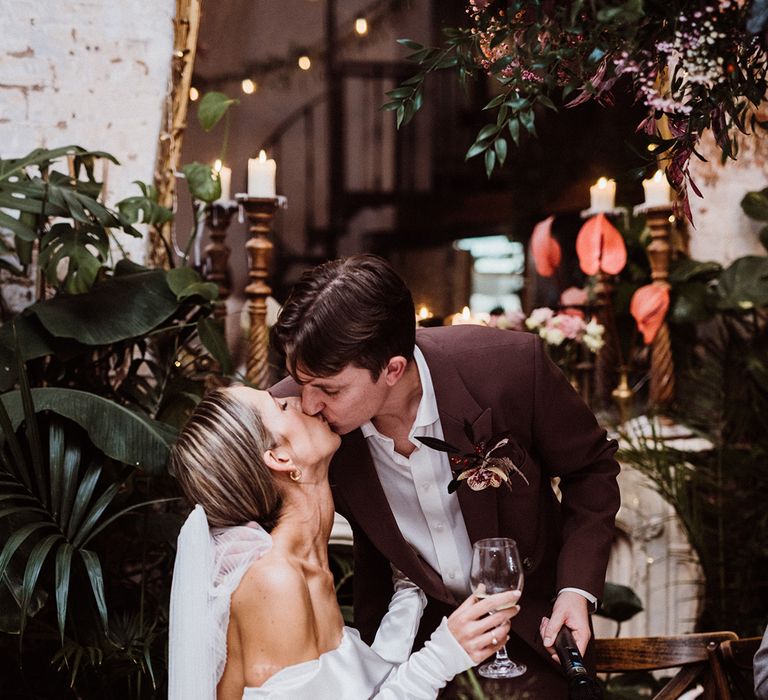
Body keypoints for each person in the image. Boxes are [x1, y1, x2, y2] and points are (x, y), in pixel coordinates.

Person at [270, 254, 621, 697]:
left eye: (330, 389)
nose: (310, 404)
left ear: (393, 370)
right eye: (300, 382)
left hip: (536, 634)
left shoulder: (507, 369)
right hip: (409, 654)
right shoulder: (294, 417)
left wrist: (576, 589)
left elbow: (591, 467)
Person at [167, 386, 521, 699]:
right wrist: (445, 653)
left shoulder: (305, 564)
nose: (301, 400)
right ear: (280, 458)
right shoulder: (273, 580)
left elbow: (356, 684)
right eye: (282, 407)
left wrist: (409, 589)